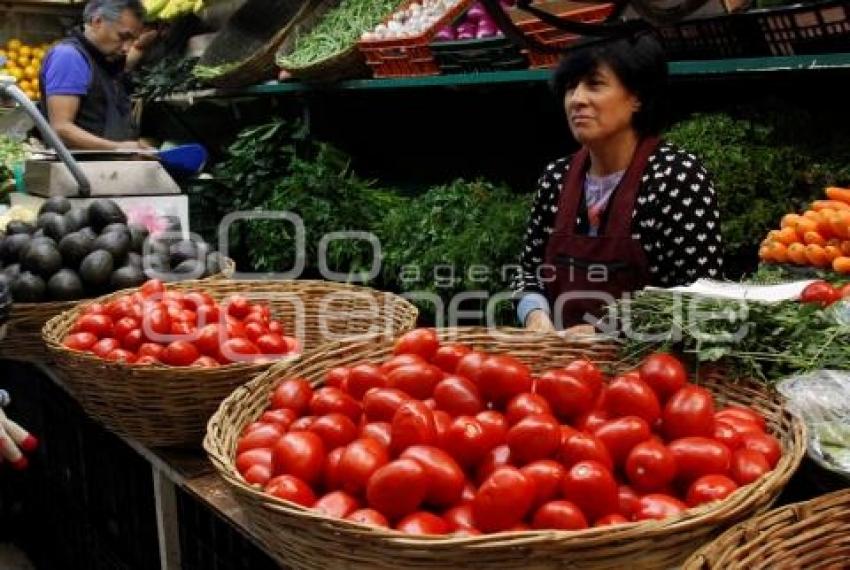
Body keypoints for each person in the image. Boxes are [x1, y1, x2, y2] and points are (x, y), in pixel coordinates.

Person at [512, 33, 723, 333]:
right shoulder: (556, 178)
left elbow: (701, 297)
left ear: (637, 96)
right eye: (571, 87)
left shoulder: (676, 177)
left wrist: (608, 332)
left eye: (594, 84)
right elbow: (528, 272)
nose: (577, 99)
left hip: (648, 371)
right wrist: (534, 314)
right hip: (561, 370)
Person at [38, 0, 157, 150]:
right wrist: (119, 148)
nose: (127, 48)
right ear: (97, 22)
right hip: (78, 170)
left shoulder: (103, 58)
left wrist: (140, 47)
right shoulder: (69, 57)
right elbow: (61, 129)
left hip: (103, 167)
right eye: (123, 37)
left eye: (132, 40)